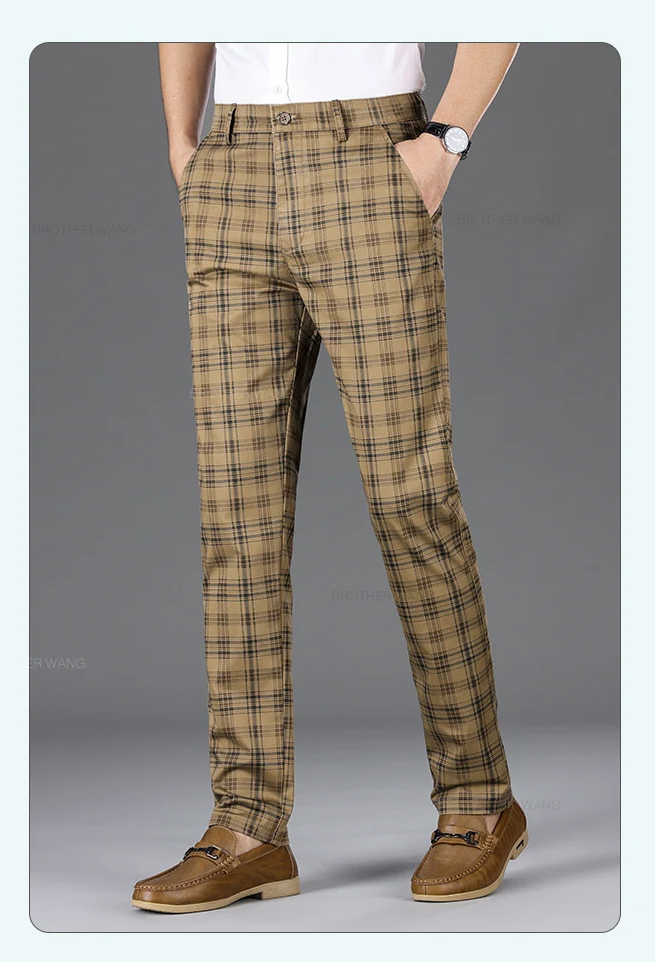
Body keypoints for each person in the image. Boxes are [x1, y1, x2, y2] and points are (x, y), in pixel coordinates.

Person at [133, 42, 525, 914]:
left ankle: (478, 799)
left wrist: (445, 141)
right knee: (236, 518)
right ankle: (248, 827)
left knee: (411, 498)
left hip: (371, 157)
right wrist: (184, 144)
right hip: (233, 163)